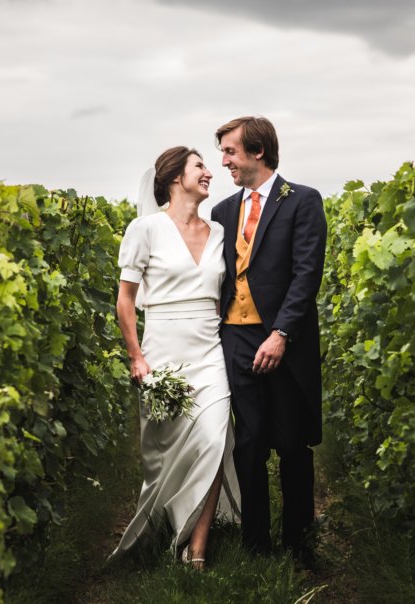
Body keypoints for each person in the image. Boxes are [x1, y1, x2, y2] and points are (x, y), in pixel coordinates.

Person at [111, 146, 240, 569]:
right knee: (162, 452)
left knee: (214, 439)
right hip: (163, 350)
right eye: (200, 166)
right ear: (173, 178)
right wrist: (136, 355)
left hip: (210, 350)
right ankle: (162, 526)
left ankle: (196, 550)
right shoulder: (144, 229)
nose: (209, 173)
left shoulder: (220, 231)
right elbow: (126, 301)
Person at [210, 117, 327, 564]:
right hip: (236, 338)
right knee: (250, 442)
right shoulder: (222, 212)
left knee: (292, 444)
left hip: (285, 342)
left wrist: (281, 334)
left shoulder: (302, 201)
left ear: (258, 152)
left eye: (230, 152)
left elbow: (306, 275)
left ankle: (300, 545)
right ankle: (255, 546)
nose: (224, 162)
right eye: (221, 153)